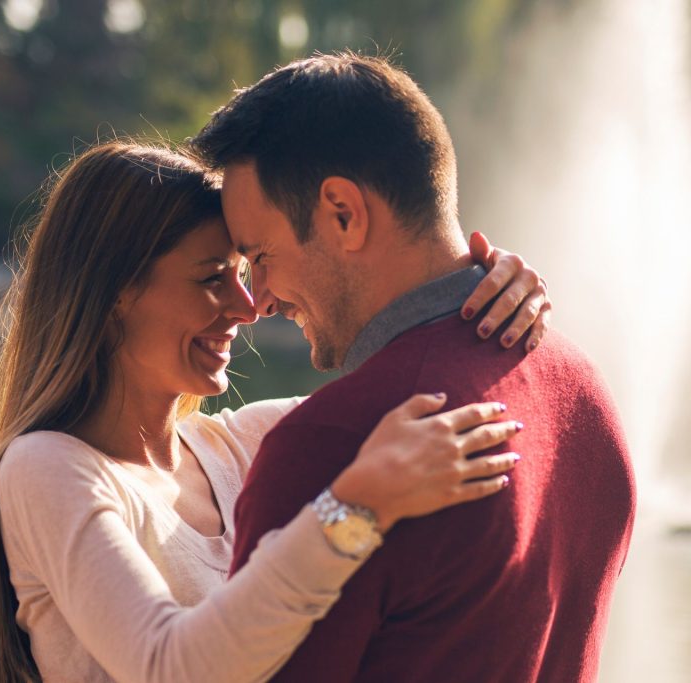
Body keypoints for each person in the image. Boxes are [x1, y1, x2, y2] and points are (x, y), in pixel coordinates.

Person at [0, 142, 550, 683]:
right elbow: (173, 666)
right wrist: (358, 509)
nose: (248, 307)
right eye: (211, 279)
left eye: (246, 273)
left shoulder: (252, 441)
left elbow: (412, 386)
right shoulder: (46, 469)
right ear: (115, 293)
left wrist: (485, 292)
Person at [190, 51, 637, 682]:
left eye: (260, 256)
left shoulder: (334, 449)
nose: (257, 299)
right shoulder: (586, 392)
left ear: (343, 214)